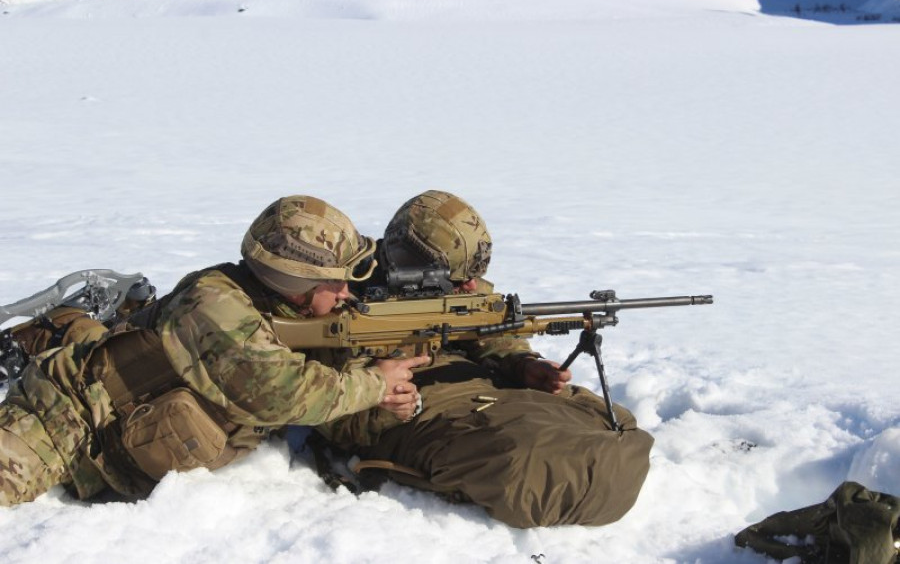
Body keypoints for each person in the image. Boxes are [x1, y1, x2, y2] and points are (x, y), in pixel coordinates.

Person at [0, 195, 423, 506]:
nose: (347, 293)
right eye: (336, 281)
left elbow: (334, 404)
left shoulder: (292, 316)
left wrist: (391, 400)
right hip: (67, 416)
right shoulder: (215, 305)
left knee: (110, 341)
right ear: (296, 282)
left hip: (127, 440)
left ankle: (71, 323)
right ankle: (50, 331)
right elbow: (284, 394)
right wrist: (373, 384)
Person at [315, 190, 655, 528]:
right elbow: (331, 414)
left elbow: (491, 329)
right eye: (460, 280)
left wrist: (521, 364)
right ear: (413, 264)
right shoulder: (335, 300)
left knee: (612, 424)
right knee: (531, 462)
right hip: (412, 411)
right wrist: (383, 393)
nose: (472, 286)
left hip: (481, 385)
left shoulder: (449, 283)